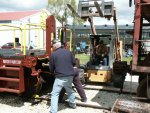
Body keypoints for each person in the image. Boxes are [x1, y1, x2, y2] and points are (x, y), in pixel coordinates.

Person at [49, 39, 76, 113]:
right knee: (70, 90)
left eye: (52, 45)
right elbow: (74, 63)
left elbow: (51, 67)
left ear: (55, 46)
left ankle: (53, 111)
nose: (52, 47)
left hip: (60, 77)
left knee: (55, 93)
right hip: (70, 75)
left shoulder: (53, 54)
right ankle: (73, 104)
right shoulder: (69, 52)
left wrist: (52, 72)